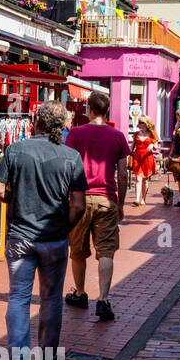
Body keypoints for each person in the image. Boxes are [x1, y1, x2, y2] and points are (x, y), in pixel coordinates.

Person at [0, 102, 87, 360]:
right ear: (63, 126)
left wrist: (17, 199)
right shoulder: (71, 156)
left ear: (37, 122)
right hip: (54, 239)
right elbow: (79, 204)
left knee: (18, 298)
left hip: (20, 237)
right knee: (51, 299)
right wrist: (62, 226)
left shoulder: (16, 150)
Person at [64, 91, 130, 322]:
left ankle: (80, 294)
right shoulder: (119, 136)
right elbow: (123, 174)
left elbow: (68, 168)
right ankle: (103, 299)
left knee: (78, 249)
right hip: (106, 198)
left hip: (80, 199)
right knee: (106, 250)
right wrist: (120, 203)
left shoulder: (75, 133)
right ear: (107, 110)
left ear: (89, 109)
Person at [129, 116, 159, 207]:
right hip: (137, 157)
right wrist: (127, 155)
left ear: (146, 123)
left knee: (144, 180)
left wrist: (152, 145)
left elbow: (156, 146)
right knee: (138, 179)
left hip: (147, 157)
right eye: (139, 122)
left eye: (142, 122)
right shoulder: (136, 134)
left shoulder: (152, 133)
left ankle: (143, 199)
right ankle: (137, 199)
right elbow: (132, 147)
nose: (140, 124)